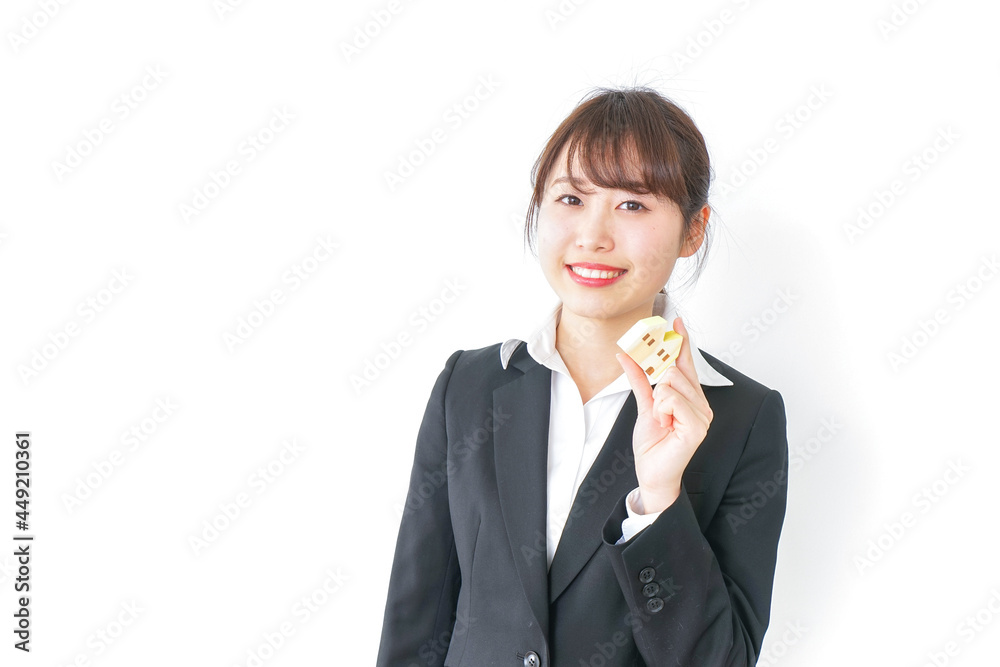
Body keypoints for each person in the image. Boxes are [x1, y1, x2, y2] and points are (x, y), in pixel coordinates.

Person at [376, 86, 789, 666]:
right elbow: (416, 620)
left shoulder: (742, 418)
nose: (593, 236)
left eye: (632, 205)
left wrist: (658, 500)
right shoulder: (468, 385)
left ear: (693, 230)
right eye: (571, 198)